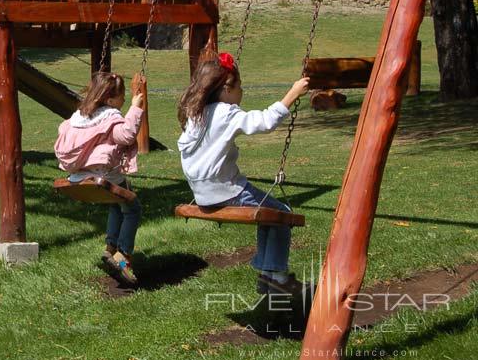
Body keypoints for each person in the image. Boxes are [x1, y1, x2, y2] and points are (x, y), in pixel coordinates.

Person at [177, 52, 310, 295]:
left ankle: (268, 274)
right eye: (240, 86)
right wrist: (293, 93)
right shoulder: (225, 113)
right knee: (282, 214)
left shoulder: (195, 113)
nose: (242, 92)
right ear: (227, 89)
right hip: (227, 191)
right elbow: (265, 122)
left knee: (268, 215)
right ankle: (277, 277)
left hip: (201, 193)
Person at [55, 71, 146, 286]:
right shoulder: (110, 116)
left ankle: (110, 248)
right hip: (102, 176)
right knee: (133, 208)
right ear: (109, 99)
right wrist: (135, 107)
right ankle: (123, 256)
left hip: (77, 178)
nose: (123, 99)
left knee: (117, 205)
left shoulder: (79, 116)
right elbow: (126, 136)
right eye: (122, 96)